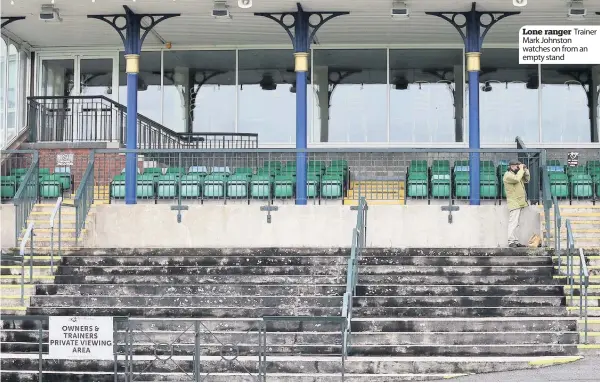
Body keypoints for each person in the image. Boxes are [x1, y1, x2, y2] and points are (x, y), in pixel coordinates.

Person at [503, 160, 530, 248]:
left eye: (518, 166)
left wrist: (525, 170)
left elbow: (527, 179)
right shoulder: (508, 175)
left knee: (517, 223)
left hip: (520, 202)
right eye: (516, 166)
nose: (517, 167)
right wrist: (521, 169)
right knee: (513, 222)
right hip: (514, 202)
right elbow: (517, 179)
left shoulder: (517, 174)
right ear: (511, 166)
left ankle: (516, 241)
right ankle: (511, 241)